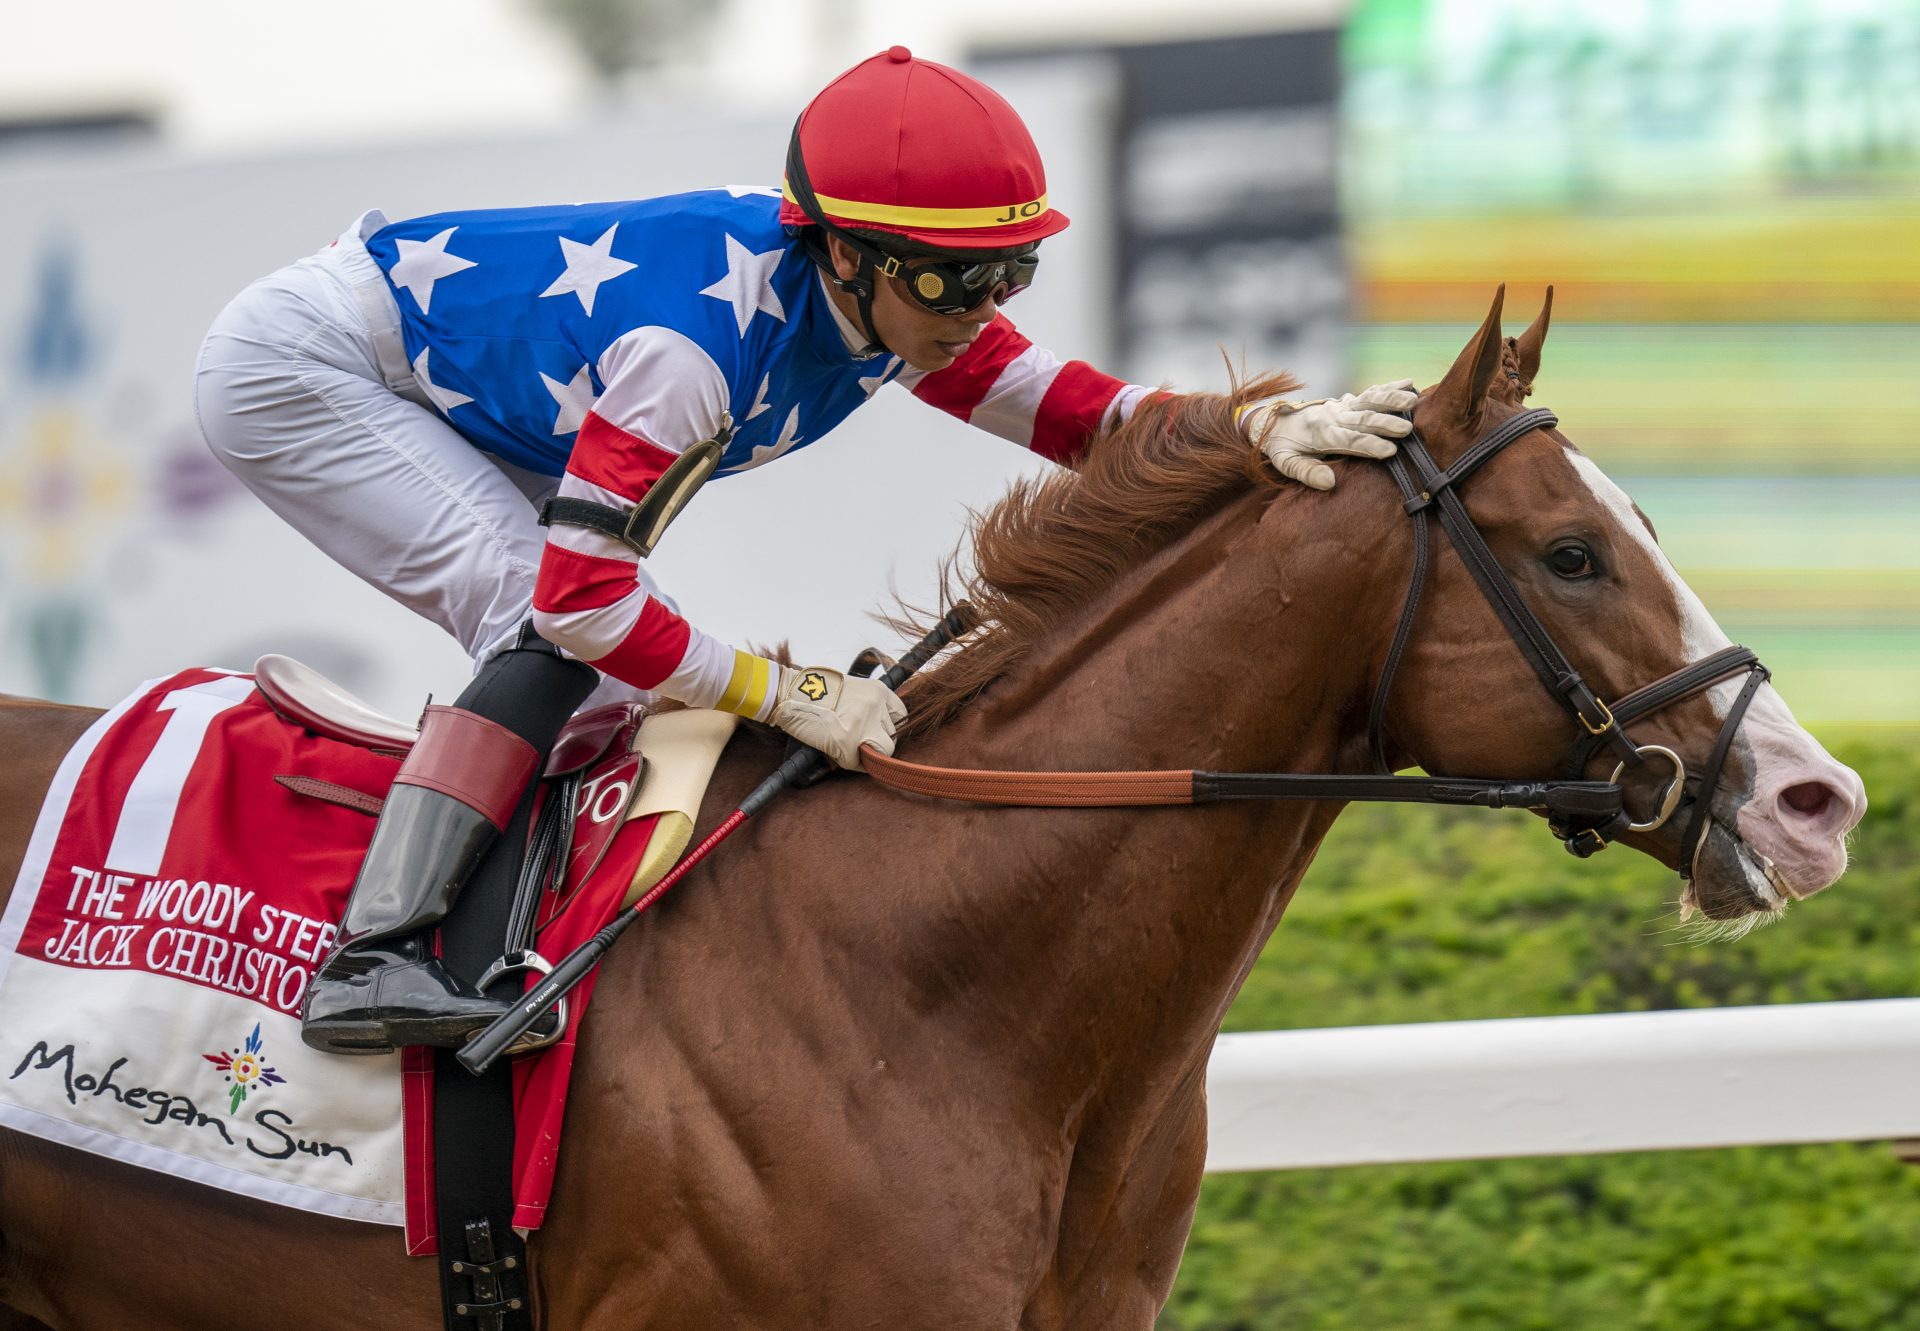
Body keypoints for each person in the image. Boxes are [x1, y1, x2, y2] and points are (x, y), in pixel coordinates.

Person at [194, 46, 1414, 1056]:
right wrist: (788, 691)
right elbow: (580, 603)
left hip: (458, 389)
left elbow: (1070, 410)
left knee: (608, 666)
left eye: (1010, 270)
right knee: (554, 620)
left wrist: (1256, 428)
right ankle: (375, 956)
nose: (980, 308)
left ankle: (512, 937)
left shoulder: (894, 296)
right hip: (309, 370)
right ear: (845, 252)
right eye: (954, 278)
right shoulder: (691, 352)